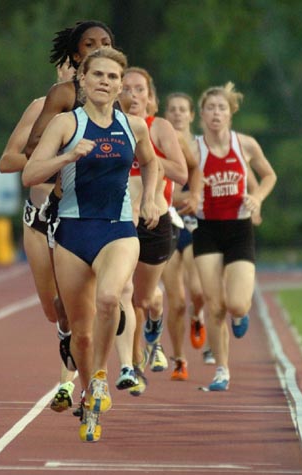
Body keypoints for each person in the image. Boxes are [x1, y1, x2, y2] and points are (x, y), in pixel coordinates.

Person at [22, 47, 161, 442]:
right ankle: (87, 396)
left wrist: (150, 198)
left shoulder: (134, 126)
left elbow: (151, 162)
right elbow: (31, 174)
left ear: (121, 86)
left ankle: (100, 378)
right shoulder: (66, 124)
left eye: (112, 77)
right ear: (82, 80)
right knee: (79, 333)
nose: (105, 81)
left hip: (117, 230)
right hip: (71, 233)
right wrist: (66, 156)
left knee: (109, 298)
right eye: (97, 74)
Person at [0, 60, 78, 412]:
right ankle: (73, 350)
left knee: (71, 301)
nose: (71, 72)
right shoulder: (38, 108)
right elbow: (8, 160)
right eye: (66, 66)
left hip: (77, 215)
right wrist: (48, 154)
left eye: (78, 66)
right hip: (38, 218)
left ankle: (68, 382)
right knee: (53, 309)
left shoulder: (98, 115)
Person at [193, 82, 276, 391]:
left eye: (222, 108)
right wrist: (187, 196)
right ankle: (222, 370)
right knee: (214, 307)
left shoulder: (246, 145)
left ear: (231, 113)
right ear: (201, 114)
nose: (216, 113)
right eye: (211, 108)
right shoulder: (193, 148)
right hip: (207, 230)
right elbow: (172, 176)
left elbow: (269, 175)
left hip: (239, 229)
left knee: (237, 304)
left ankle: (241, 316)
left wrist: (258, 198)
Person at [118, 68, 194, 395]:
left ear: (150, 97)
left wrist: (151, 160)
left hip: (155, 220)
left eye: (140, 90)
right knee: (123, 293)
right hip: (118, 220)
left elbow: (182, 170)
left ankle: (155, 322)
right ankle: (132, 365)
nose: (133, 95)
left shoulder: (159, 127)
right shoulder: (108, 127)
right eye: (126, 89)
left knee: (144, 296)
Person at [160, 92, 211, 382]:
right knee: (176, 301)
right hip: (169, 224)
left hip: (197, 225)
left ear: (192, 115)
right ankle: (179, 360)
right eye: (172, 109)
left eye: (182, 110)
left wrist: (194, 194)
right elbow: (164, 192)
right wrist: (186, 196)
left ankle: (197, 317)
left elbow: (202, 187)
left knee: (199, 292)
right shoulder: (161, 144)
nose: (177, 114)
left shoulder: (200, 148)